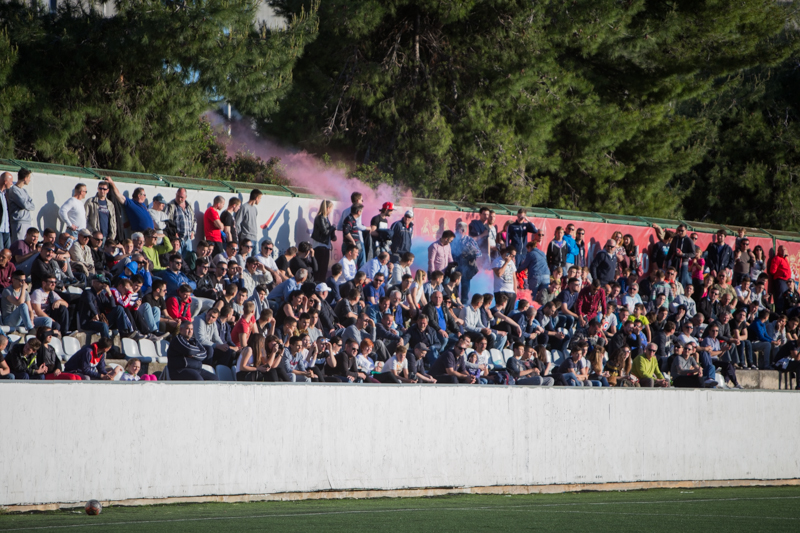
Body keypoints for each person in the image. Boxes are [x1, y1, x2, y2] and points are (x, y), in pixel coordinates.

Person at [311, 199, 337, 283]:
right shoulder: (320, 217)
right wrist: (332, 227)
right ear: (328, 208)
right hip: (320, 246)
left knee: (324, 269)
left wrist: (333, 235)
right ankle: (318, 285)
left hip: (325, 246)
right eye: (331, 208)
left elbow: (327, 231)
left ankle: (321, 284)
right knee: (320, 269)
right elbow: (325, 232)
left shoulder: (325, 218)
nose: (332, 210)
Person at [7, 168, 35, 242]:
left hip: (27, 221)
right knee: (19, 244)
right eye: (29, 178)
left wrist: (27, 204)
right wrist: (27, 204)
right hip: (19, 222)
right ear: (25, 178)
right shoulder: (14, 190)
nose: (30, 180)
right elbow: (24, 205)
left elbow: (32, 205)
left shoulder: (24, 191)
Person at [492, 247, 517, 316]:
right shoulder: (497, 261)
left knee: (509, 315)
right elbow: (499, 274)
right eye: (512, 255)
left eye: (514, 255)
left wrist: (515, 292)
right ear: (507, 253)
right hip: (500, 291)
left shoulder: (512, 262)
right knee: (500, 314)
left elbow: (514, 278)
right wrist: (506, 262)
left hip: (511, 292)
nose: (513, 257)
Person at [0, 172, 13, 249]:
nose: (11, 184)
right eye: (11, 181)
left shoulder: (6, 194)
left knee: (7, 251)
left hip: (6, 228)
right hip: (0, 228)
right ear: (5, 181)